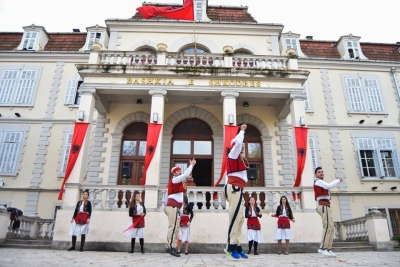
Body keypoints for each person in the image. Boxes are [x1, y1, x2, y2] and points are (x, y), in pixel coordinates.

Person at [223, 124, 249, 259]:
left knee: (240, 218)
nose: (242, 146)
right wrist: (242, 131)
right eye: (241, 145)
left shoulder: (239, 158)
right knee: (234, 218)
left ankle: (237, 246)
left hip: (239, 189)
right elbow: (238, 142)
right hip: (234, 188)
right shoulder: (233, 154)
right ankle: (230, 247)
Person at [165, 158, 196, 257]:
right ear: (174, 173)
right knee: (173, 227)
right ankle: (170, 247)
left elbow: (167, 195)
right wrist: (191, 165)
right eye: (178, 170)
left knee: (176, 228)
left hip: (174, 207)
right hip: (172, 206)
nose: (180, 171)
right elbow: (186, 175)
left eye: (179, 170)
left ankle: (172, 246)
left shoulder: (175, 182)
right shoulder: (175, 179)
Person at [314, 167, 343, 257]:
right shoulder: (318, 181)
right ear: (316, 174)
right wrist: (338, 180)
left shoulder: (322, 182)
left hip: (326, 205)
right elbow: (329, 186)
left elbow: (328, 187)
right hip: (323, 205)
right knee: (327, 227)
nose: (321, 173)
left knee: (331, 228)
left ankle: (328, 248)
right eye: (319, 172)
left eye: (322, 172)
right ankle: (322, 248)